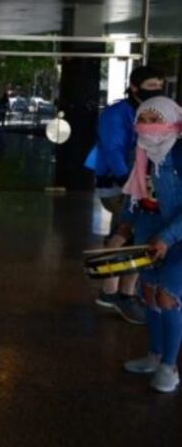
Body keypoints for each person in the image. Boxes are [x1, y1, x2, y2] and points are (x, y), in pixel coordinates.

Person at [85, 65, 165, 324]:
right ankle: (113, 292)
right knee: (126, 233)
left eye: (159, 86)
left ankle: (124, 293)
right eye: (150, 86)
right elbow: (113, 148)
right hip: (120, 184)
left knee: (135, 234)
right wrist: (128, 181)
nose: (157, 90)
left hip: (144, 184)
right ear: (133, 86)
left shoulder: (154, 111)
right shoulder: (118, 113)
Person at [119, 97, 182, 393]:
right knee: (149, 294)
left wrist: (167, 238)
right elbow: (135, 192)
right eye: (144, 119)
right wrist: (125, 224)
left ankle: (169, 366)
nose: (149, 126)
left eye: (156, 119)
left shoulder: (179, 154)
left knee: (169, 297)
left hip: (176, 237)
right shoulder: (142, 151)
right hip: (149, 233)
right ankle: (154, 356)